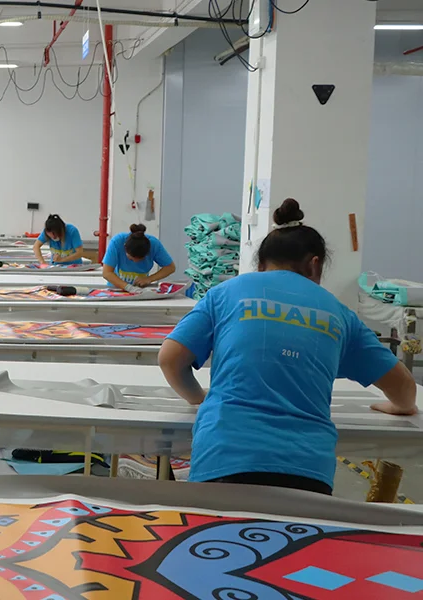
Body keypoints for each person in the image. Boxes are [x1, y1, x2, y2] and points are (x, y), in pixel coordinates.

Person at [159, 199, 417, 495]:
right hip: (307, 471)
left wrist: (198, 398)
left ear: (259, 265)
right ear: (315, 264)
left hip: (224, 456)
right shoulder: (339, 313)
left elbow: (170, 359)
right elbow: (404, 386)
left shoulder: (226, 293)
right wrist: (399, 406)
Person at [103, 224, 175, 292]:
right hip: (116, 288)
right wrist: (128, 287)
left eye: (141, 259)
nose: (135, 262)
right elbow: (107, 273)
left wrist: (149, 279)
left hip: (141, 289)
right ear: (125, 248)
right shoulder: (117, 242)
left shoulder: (154, 244)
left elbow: (170, 267)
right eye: (131, 259)